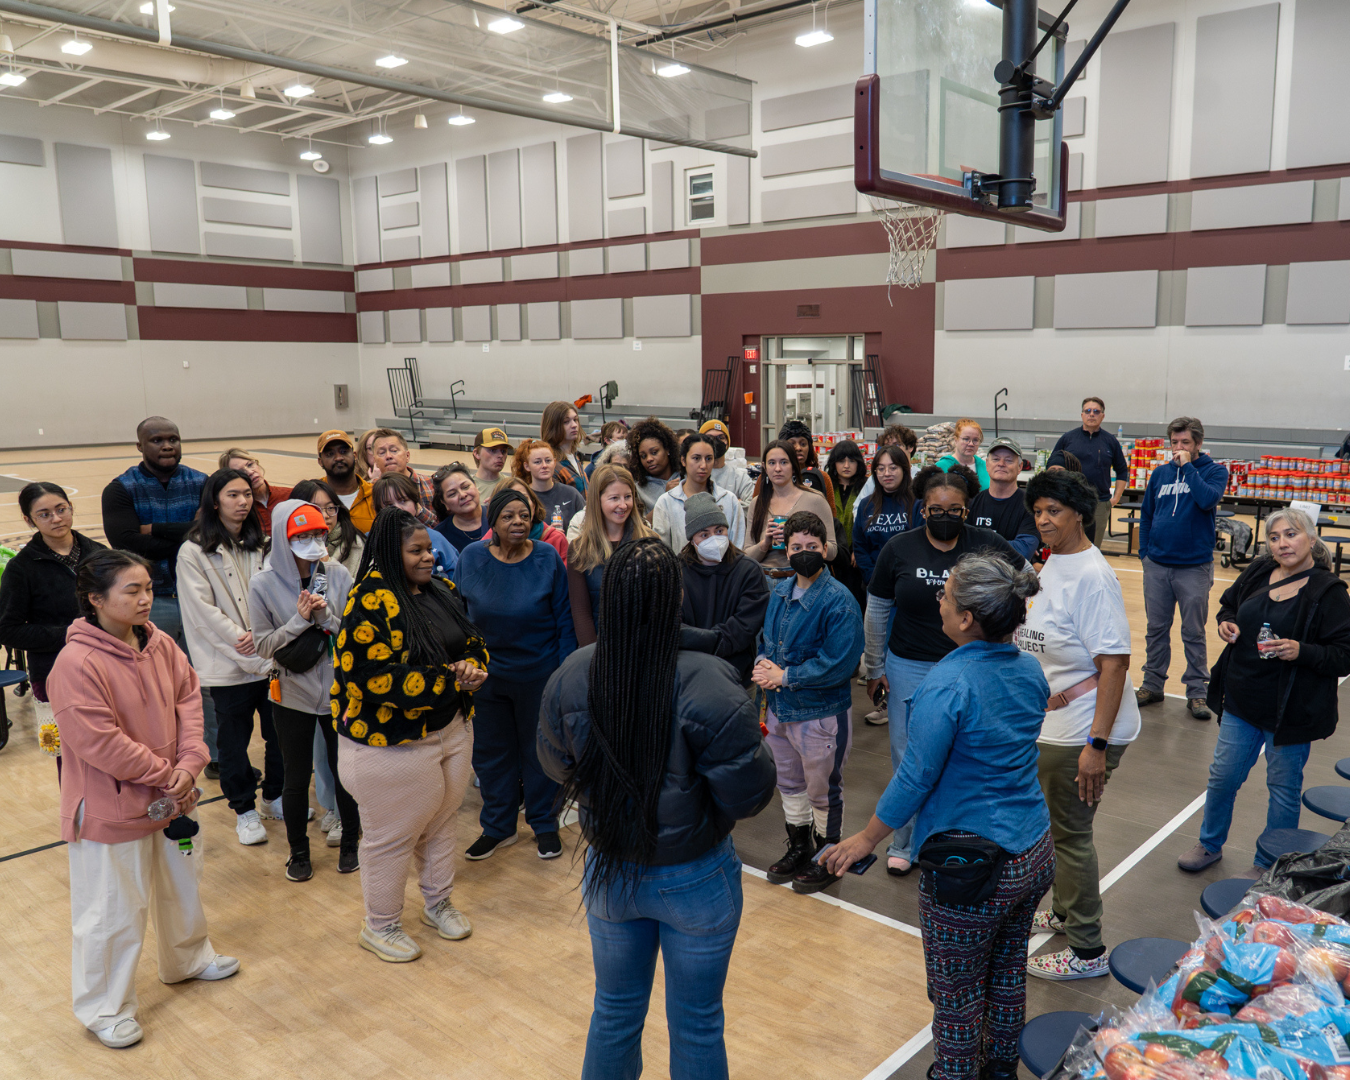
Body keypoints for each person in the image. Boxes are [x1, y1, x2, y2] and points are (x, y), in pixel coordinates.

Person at [537, 538, 776, 1080]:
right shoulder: (711, 679)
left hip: (609, 868)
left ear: (610, 597)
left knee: (614, 1012)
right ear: (677, 599)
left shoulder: (573, 672)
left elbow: (555, 765)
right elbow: (748, 795)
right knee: (696, 1022)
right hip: (694, 874)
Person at [825, 553, 1053, 1080]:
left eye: (946, 596)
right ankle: (999, 1068)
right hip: (1033, 851)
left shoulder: (948, 685)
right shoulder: (1029, 670)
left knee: (955, 990)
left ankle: (954, 1073)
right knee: (1005, 973)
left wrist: (866, 838)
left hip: (974, 867)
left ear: (968, 618)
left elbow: (915, 777)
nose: (939, 600)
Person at [49, 549, 238, 1050]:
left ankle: (189, 959)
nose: (145, 599)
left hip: (174, 795)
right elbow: (100, 742)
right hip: (112, 808)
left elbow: (189, 700)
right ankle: (104, 1008)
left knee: (183, 886)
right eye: (131, 590)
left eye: (149, 588)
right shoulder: (76, 663)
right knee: (112, 910)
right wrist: (166, 773)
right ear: (96, 600)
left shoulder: (161, 644)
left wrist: (191, 761)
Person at [333, 507, 489, 961]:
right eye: (415, 550)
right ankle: (380, 926)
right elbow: (372, 678)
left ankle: (437, 902)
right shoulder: (369, 601)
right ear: (389, 552)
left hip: (451, 729)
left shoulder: (442, 589)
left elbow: (472, 639)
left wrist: (473, 667)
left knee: (441, 823)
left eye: (429, 549)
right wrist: (449, 679)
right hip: (391, 743)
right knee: (392, 836)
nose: (428, 558)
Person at [865, 464, 1023, 876]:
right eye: (937, 508)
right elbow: (878, 610)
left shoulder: (988, 545)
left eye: (955, 509)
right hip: (909, 665)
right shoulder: (898, 548)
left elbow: (1023, 585)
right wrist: (874, 665)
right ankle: (903, 841)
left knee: (965, 756)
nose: (946, 515)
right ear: (922, 509)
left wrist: (1010, 642)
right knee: (909, 756)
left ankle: (951, 836)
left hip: (973, 668)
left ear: (967, 511)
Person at [1178, 509, 1350, 876]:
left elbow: (1344, 654)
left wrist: (1301, 651)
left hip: (1290, 710)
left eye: (1291, 534)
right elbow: (1228, 604)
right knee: (1223, 777)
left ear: (1311, 538)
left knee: (1283, 789)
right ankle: (1209, 844)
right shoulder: (1259, 571)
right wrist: (1226, 623)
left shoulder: (1329, 592)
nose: (1282, 543)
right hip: (1243, 698)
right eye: (1274, 538)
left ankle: (1271, 861)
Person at [1018, 468, 1139, 980]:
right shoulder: (1053, 563)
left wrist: (1096, 744)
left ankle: (1087, 950)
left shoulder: (1092, 575)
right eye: (1039, 511)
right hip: (1059, 722)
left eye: (1055, 512)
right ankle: (1066, 912)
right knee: (1060, 829)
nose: (1044, 520)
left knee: (1070, 834)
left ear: (1080, 515)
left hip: (1084, 729)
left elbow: (1114, 663)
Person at [453, 488, 577, 860]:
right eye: (508, 516)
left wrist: (564, 672)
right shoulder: (472, 557)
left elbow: (564, 619)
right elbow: (457, 614)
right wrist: (462, 662)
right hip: (486, 677)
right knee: (491, 755)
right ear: (493, 523)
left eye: (524, 516)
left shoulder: (546, 557)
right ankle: (498, 827)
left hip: (538, 674)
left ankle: (544, 824)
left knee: (539, 753)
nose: (518, 522)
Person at [753, 511, 864, 894]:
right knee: (790, 782)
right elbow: (765, 641)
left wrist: (785, 676)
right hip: (781, 710)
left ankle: (827, 858)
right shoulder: (781, 592)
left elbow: (840, 663)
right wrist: (761, 665)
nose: (803, 554)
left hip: (820, 714)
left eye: (811, 547)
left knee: (823, 790)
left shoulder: (839, 602)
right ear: (785, 548)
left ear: (825, 550)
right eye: (796, 547)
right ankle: (799, 848)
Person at [250, 501, 361, 881]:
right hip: (291, 694)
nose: (313, 542)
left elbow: (353, 633)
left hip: (337, 692)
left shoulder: (339, 574)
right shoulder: (262, 584)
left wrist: (324, 617)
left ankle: (350, 844)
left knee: (345, 773)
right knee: (296, 777)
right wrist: (299, 621)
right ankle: (298, 851)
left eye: (318, 534)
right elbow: (264, 646)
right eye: (302, 536)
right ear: (283, 538)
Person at [101, 416, 218, 772]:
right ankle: (160, 757)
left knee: (208, 683)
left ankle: (213, 755)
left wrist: (153, 531)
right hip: (151, 605)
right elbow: (126, 544)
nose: (167, 446)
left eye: (173, 439)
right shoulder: (120, 488)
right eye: (157, 440)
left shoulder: (203, 483)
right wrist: (188, 535)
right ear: (140, 446)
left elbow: (212, 533)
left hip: (201, 601)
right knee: (155, 688)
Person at [176, 469, 283, 847]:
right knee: (233, 746)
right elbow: (203, 614)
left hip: (268, 662)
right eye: (233, 495)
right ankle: (245, 811)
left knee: (279, 736)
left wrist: (266, 646)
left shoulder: (263, 543)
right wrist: (248, 645)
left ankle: (274, 797)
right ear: (214, 501)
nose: (242, 501)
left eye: (246, 495)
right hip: (228, 667)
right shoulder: (193, 551)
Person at [0, 482, 106, 756]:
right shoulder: (21, 568)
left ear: (72, 508)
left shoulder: (100, 555)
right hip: (54, 672)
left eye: (61, 509)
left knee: (112, 747)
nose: (57, 518)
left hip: (107, 665)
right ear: (29, 520)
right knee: (70, 755)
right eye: (44, 514)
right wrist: (70, 634)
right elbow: (8, 630)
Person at [1136, 417, 1229, 720]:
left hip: (1193, 567)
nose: (1178, 448)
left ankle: (1197, 692)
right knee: (1156, 628)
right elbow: (1147, 513)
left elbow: (1207, 500)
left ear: (1198, 444)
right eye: (1174, 442)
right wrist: (1145, 554)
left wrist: (1188, 467)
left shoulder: (1214, 471)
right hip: (1158, 565)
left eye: (1185, 443)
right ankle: (1152, 684)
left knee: (1193, 631)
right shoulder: (1160, 474)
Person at [678, 493, 770, 685]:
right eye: (704, 534)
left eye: (719, 530)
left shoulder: (749, 571)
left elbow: (743, 629)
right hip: (689, 678)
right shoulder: (676, 573)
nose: (714, 538)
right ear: (692, 540)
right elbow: (673, 627)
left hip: (737, 678)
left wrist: (697, 640)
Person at [568, 463, 655, 647]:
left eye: (628, 497)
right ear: (597, 500)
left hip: (644, 647)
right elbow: (581, 612)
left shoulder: (650, 540)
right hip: (600, 648)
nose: (623, 505)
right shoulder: (580, 548)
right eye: (614, 498)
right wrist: (593, 658)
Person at [745, 440, 837, 578]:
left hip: (802, 579)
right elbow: (747, 557)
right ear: (764, 467)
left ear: (794, 466)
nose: (777, 468)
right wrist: (764, 544)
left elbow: (832, 551)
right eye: (772, 463)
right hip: (763, 580)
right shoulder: (757, 503)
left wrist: (803, 540)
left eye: (783, 462)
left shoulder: (815, 500)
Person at [1051, 397, 1128, 549]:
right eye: (1088, 411)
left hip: (1099, 503)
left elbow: (1122, 470)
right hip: (1070, 502)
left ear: (1102, 416)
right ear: (1082, 415)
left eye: (1096, 411)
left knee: (1093, 548)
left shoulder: (1110, 441)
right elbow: (1052, 465)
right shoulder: (1068, 438)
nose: (1091, 414)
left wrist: (1116, 498)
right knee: (1066, 544)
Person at [652, 431, 747, 552]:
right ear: (683, 460)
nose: (703, 465)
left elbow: (737, 549)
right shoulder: (666, 502)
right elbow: (662, 551)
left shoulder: (729, 500)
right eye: (696, 458)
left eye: (708, 458)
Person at [372, 474, 458, 578]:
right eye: (389, 505)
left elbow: (457, 576)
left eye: (403, 501)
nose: (398, 508)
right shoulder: (370, 541)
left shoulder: (436, 538)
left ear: (416, 504)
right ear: (378, 511)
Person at [852, 445, 915, 587]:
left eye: (893, 468)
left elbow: (920, 547)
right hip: (875, 583)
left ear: (904, 470)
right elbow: (860, 546)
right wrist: (873, 578)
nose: (887, 473)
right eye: (881, 468)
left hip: (908, 583)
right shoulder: (866, 504)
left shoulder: (917, 503)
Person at [968, 437, 1038, 560]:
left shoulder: (1031, 505)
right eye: (995, 459)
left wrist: (977, 545)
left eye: (1009, 460)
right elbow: (960, 546)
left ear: (1020, 467)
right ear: (987, 464)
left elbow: (1022, 552)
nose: (1001, 464)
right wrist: (1007, 545)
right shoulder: (972, 502)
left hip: (1013, 578)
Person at [290, 478, 364, 580]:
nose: (325, 515)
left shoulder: (355, 543)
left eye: (330, 508)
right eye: (316, 509)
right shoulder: (286, 546)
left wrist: (327, 566)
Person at [487, 478, 570, 564]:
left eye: (523, 497)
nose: (518, 504)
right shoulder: (487, 542)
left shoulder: (556, 540)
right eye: (509, 499)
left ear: (533, 505)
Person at [368, 428, 437, 527]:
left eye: (394, 450)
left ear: (407, 455)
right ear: (375, 462)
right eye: (382, 453)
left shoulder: (431, 484)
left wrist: (419, 511)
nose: (388, 456)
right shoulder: (369, 490)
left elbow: (443, 527)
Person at [514, 438, 585, 532]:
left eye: (548, 461)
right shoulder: (522, 496)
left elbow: (587, 524)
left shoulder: (571, 494)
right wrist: (548, 535)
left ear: (555, 463)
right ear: (527, 466)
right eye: (537, 462)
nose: (544, 466)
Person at [218, 448, 291, 536]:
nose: (250, 472)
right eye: (241, 472)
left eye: (250, 465)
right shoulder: (237, 509)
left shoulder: (289, 495)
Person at [316, 429, 376, 535]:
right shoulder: (313, 495)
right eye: (330, 454)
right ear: (320, 462)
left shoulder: (374, 494)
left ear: (355, 455)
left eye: (344, 451)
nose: (338, 458)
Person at [778, 419, 836, 510]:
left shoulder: (822, 477)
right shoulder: (772, 477)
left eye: (803, 444)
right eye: (792, 444)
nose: (798, 448)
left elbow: (831, 516)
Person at [627, 416, 680, 515]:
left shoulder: (685, 478)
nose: (649, 459)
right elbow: (643, 526)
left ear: (667, 449)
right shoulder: (639, 488)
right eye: (643, 456)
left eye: (654, 452)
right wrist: (666, 498)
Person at [431, 463, 490, 552]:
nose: (462, 495)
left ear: (475, 485)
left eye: (465, 487)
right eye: (452, 494)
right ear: (444, 502)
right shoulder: (440, 536)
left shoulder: (499, 518)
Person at [700, 419, 755, 508]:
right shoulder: (695, 474)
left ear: (727, 443)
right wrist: (733, 503)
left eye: (720, 437)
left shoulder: (740, 477)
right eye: (710, 438)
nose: (715, 441)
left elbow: (750, 507)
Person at [857, 423, 917, 503]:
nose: (891, 450)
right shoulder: (875, 478)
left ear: (910, 447)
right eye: (886, 446)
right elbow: (858, 507)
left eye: (897, 445)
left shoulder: (918, 476)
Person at [542, 399, 589, 495]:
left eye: (575, 420)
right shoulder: (551, 464)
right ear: (553, 427)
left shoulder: (575, 457)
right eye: (566, 422)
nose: (574, 425)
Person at [825, 440, 868, 541]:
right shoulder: (827, 485)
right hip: (830, 546)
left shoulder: (866, 486)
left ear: (858, 463)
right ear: (834, 463)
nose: (846, 466)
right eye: (841, 461)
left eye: (852, 461)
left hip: (857, 547)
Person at [935, 419, 990, 491]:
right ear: (956, 440)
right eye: (966, 439)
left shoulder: (985, 466)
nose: (971, 444)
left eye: (975, 440)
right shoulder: (941, 466)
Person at [471, 427, 512, 498]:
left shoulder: (511, 485)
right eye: (493, 450)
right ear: (477, 453)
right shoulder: (467, 487)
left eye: (503, 451)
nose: (500, 455)